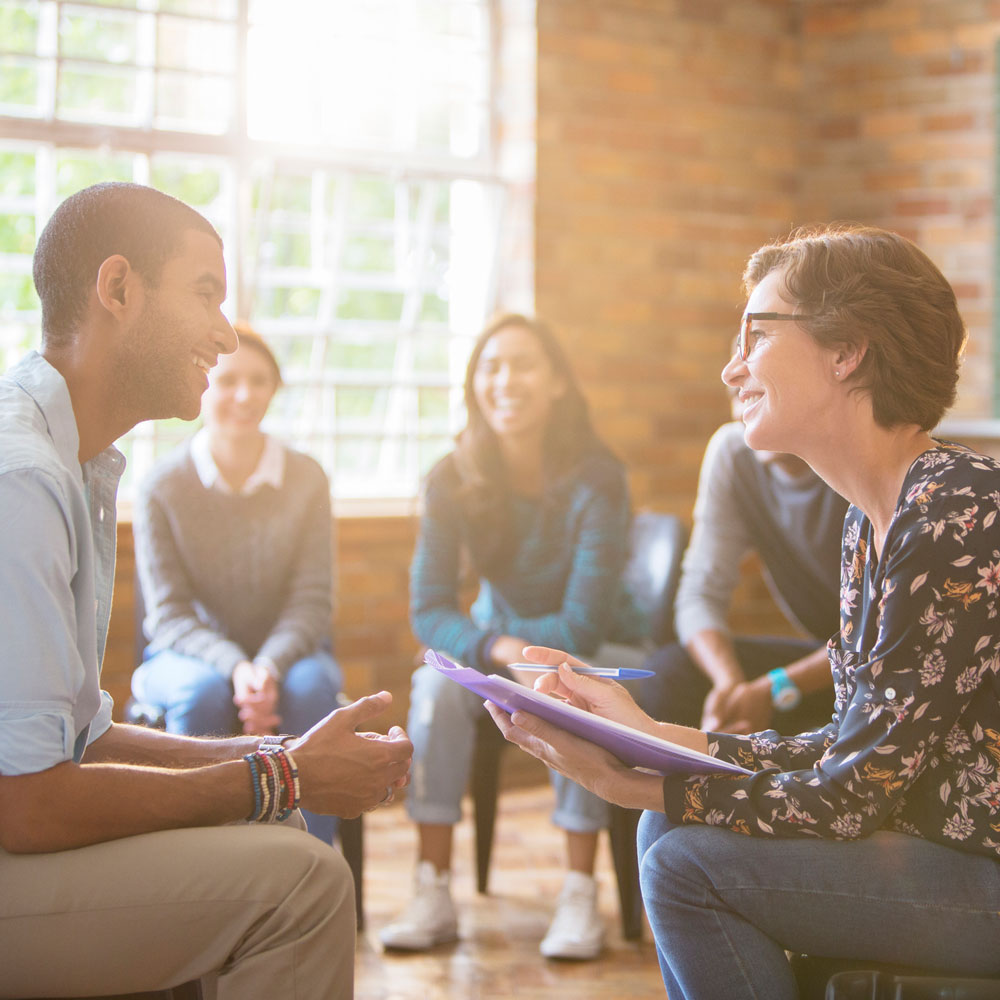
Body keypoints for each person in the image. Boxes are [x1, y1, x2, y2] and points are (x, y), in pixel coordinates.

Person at [485, 225, 1000, 999]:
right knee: (672, 831)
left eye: (756, 336)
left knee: (682, 859)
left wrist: (634, 782)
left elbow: (852, 793)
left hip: (983, 869)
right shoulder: (875, 518)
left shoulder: (955, 510)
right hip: (945, 849)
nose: (732, 367)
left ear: (845, 350)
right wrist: (653, 739)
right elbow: (846, 747)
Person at [0, 182, 412, 1000]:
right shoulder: (23, 479)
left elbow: (78, 737)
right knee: (307, 883)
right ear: (117, 289)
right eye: (206, 295)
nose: (226, 337)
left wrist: (277, 760)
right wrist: (284, 777)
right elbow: (30, 805)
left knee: (277, 827)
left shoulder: (79, 462)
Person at [379, 313, 647, 960]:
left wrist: (502, 647)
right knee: (434, 689)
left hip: (602, 652)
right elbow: (430, 610)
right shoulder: (451, 477)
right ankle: (432, 886)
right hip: (498, 648)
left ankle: (580, 890)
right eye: (490, 367)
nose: (505, 381)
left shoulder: (597, 480)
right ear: (474, 384)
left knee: (564, 685)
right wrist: (498, 650)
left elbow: (580, 627)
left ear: (557, 382)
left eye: (523, 364)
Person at [131, 323, 343, 846]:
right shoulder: (160, 485)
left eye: (259, 381)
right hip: (187, 657)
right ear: (204, 384)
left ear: (275, 388)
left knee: (311, 687)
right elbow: (169, 616)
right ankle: (202, 866)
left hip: (288, 655)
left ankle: (311, 866)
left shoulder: (307, 477)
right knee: (201, 695)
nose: (244, 396)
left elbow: (312, 601)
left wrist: (267, 665)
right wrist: (236, 667)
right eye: (228, 382)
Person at [638, 412, 848, 736]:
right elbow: (700, 593)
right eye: (737, 391)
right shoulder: (735, 451)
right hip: (827, 655)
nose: (741, 392)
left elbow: (883, 631)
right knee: (668, 675)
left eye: (758, 380)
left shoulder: (860, 452)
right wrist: (729, 682)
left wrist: (774, 686)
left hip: (886, 659)